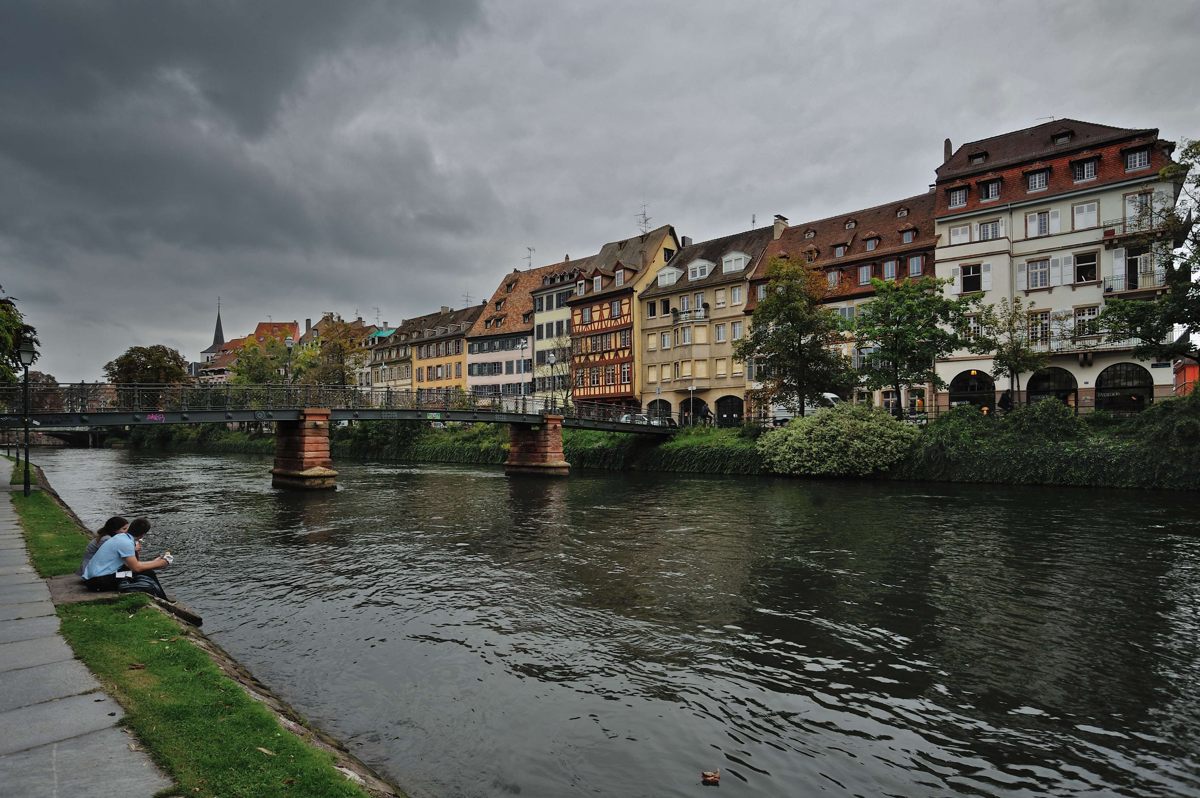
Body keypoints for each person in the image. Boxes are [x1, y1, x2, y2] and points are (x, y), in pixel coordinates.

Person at [81, 517, 173, 599]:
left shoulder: (121, 537)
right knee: (147, 573)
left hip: (93, 579)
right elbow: (136, 568)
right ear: (143, 534)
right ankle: (163, 599)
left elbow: (131, 565)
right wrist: (161, 563)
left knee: (141, 572)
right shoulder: (126, 543)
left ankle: (161, 597)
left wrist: (154, 562)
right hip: (99, 582)